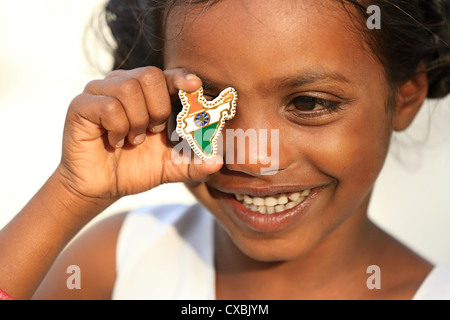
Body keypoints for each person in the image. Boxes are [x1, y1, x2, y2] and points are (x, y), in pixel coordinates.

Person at [1, 0, 449, 300]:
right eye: (204, 106)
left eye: (308, 103)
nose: (253, 158)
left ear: (405, 95)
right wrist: (70, 195)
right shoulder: (118, 262)